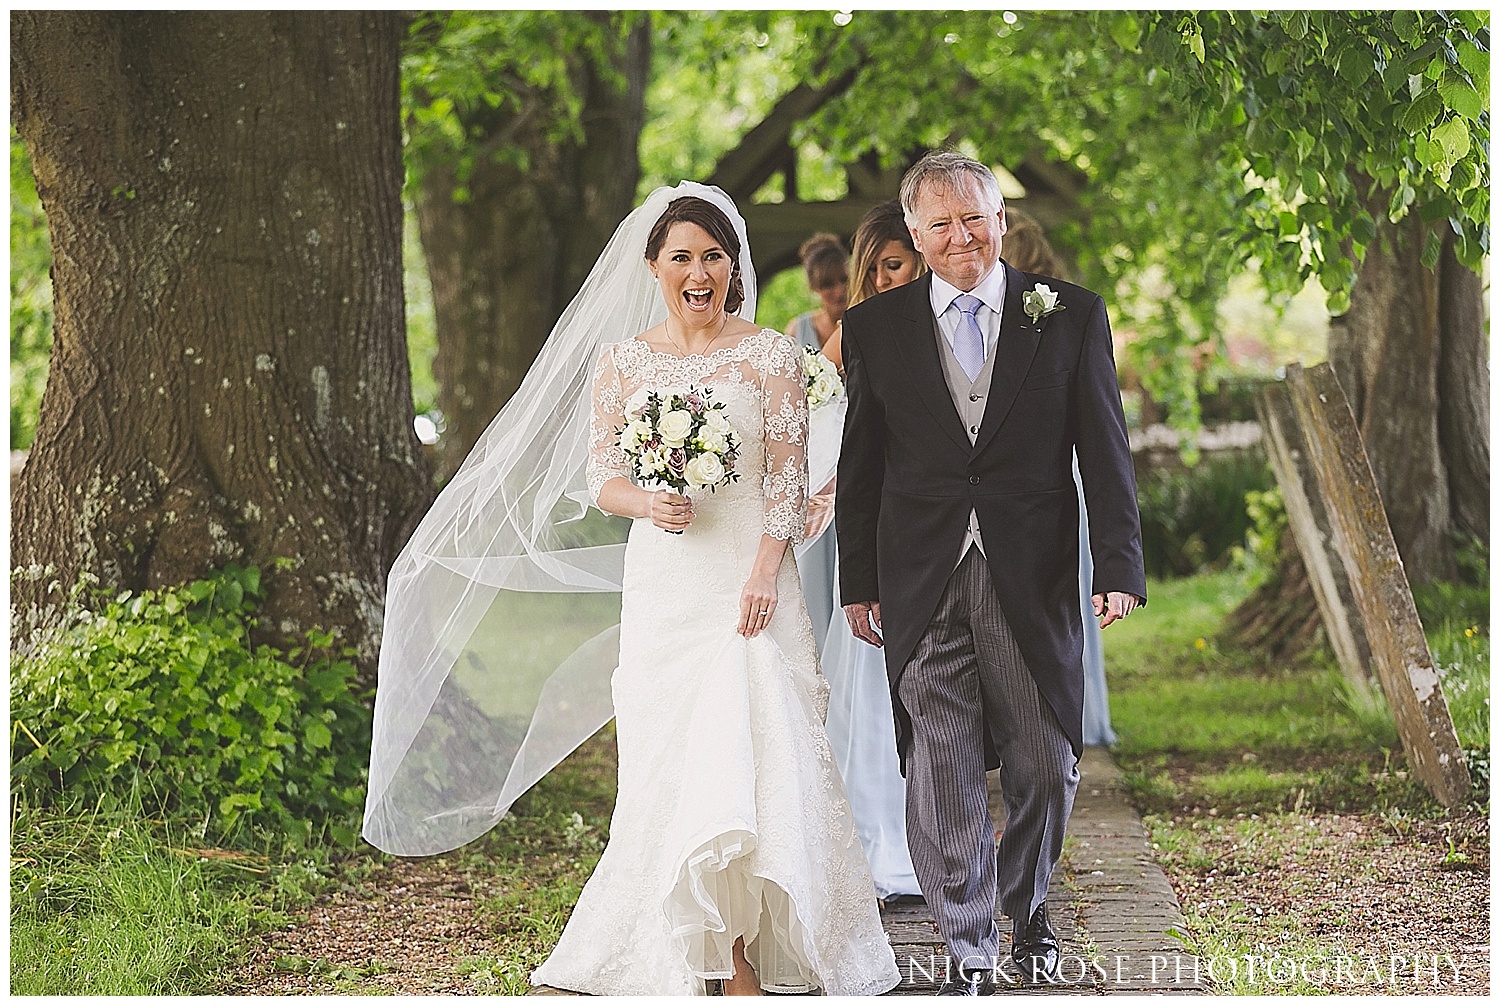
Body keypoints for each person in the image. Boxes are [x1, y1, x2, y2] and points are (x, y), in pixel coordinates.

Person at [362, 182, 898, 997]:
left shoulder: (769, 357)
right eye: (681, 256)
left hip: (750, 583)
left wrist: (762, 574)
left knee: (759, 754)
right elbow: (601, 475)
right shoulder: (625, 361)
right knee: (675, 761)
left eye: (713, 256)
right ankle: (692, 950)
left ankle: (746, 959)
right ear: (654, 266)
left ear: (734, 267)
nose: (699, 271)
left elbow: (788, 486)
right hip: (666, 581)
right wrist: (649, 499)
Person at [836, 152, 1145, 994]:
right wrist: (857, 580)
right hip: (919, 574)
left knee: (1046, 758)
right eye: (940, 224)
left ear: (1001, 219)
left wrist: (1118, 562)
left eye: (974, 218)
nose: (960, 237)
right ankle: (969, 947)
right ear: (915, 234)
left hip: (1031, 569)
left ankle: (1029, 906)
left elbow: (1104, 448)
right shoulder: (875, 329)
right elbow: (861, 464)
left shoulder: (1070, 316)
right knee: (940, 765)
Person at [801, 201, 927, 903]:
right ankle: (874, 840)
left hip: (939, 526)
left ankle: (937, 836)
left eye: (895, 265)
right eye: (873, 268)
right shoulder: (857, 333)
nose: (883, 280)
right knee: (872, 682)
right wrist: (817, 487)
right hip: (874, 523)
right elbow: (814, 412)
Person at [999, 210, 1116, 747]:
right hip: (1044, 473)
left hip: (1048, 470)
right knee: (1061, 589)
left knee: (1057, 588)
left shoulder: (1066, 312)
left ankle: (1063, 707)